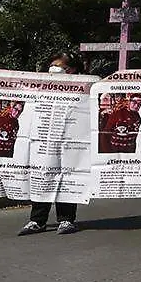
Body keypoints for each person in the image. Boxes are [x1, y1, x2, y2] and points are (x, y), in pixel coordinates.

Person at [20, 52, 85, 236]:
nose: (55, 70)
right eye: (53, 65)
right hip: (44, 140)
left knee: (67, 178)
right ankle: (37, 220)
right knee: (42, 177)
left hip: (70, 141)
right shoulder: (41, 88)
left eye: (61, 67)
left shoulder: (83, 88)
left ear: (72, 70)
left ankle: (66, 219)